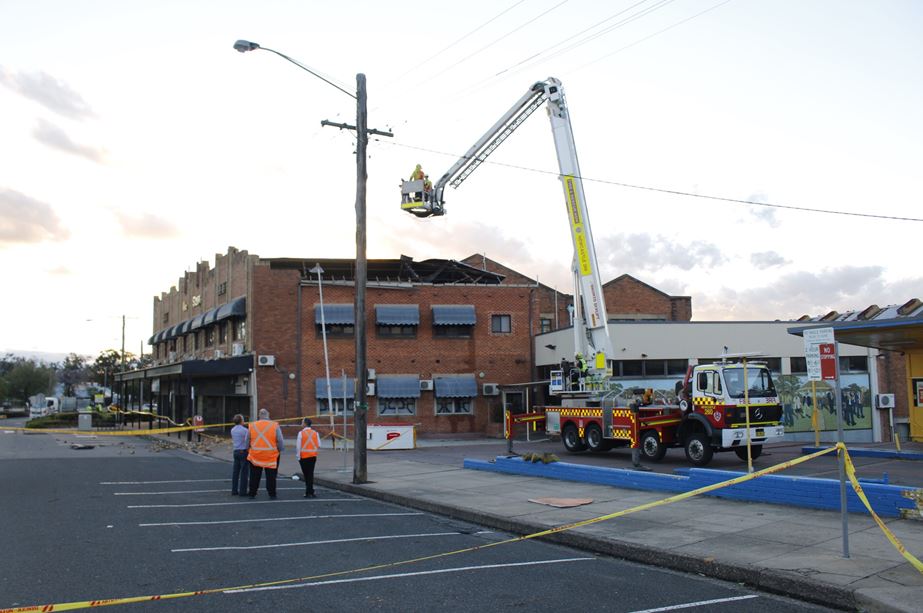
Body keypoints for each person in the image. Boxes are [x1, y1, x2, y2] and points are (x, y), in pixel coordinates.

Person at [247, 408, 284, 499]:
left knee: (254, 475)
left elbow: (247, 440)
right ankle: (272, 494)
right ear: (268, 415)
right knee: (271, 476)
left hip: (255, 455)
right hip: (271, 455)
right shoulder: (275, 425)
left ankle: (252, 493)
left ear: (259, 415)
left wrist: (248, 449)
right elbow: (280, 440)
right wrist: (279, 450)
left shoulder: (252, 425)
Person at [296, 417, 321, 498]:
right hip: (313, 456)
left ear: (305, 424)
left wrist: (298, 456)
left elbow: (298, 447)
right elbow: (319, 445)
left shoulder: (301, 433)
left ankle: (309, 491)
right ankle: (310, 491)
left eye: (302, 422)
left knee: (306, 475)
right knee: (310, 474)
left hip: (303, 457)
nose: (301, 424)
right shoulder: (315, 433)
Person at [230, 414, 250, 496]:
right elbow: (247, 440)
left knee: (235, 472)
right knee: (244, 472)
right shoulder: (245, 430)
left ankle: (234, 490)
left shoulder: (232, 430)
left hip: (236, 451)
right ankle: (243, 491)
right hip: (243, 451)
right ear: (241, 421)